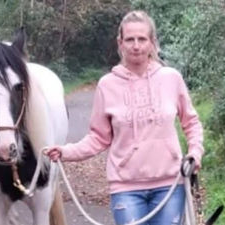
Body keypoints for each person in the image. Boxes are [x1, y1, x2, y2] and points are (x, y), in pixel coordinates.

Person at [45, 10, 204, 225]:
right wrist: (66, 152)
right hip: (126, 188)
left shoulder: (171, 79)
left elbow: (191, 122)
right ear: (120, 43)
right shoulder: (107, 85)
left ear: (152, 42)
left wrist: (195, 153)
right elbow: (98, 138)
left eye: (142, 39)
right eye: (130, 39)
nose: (136, 45)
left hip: (170, 184)